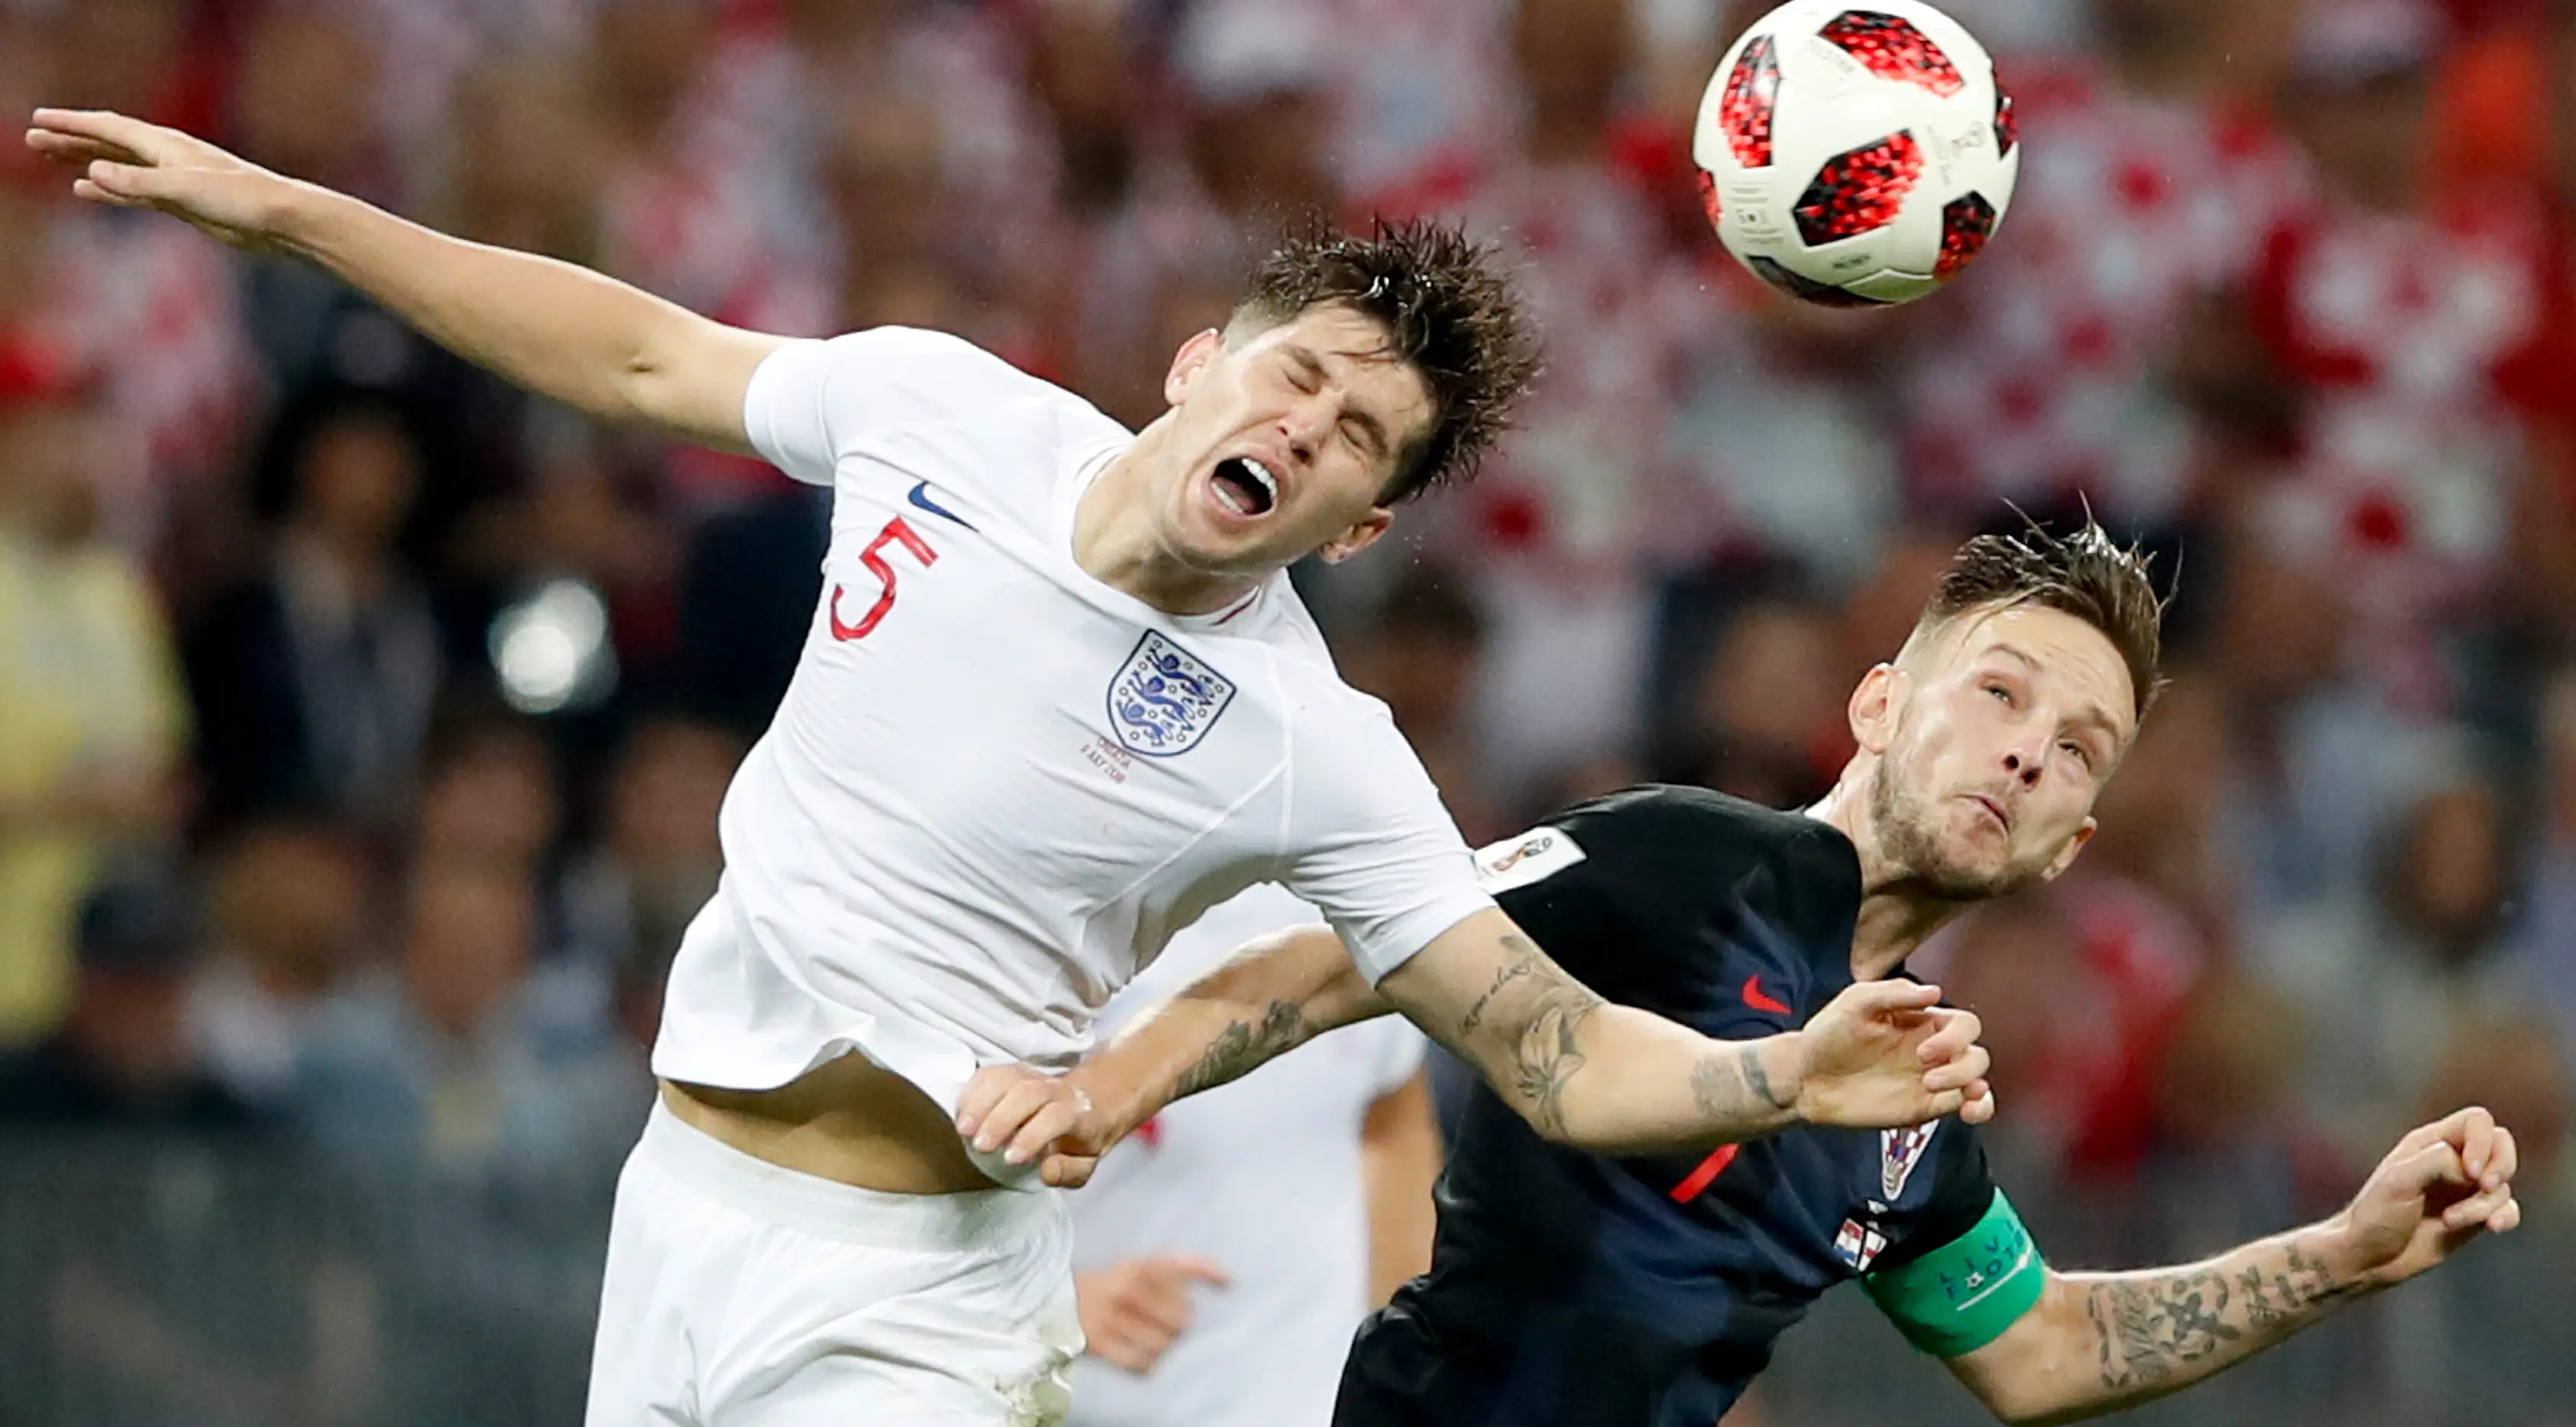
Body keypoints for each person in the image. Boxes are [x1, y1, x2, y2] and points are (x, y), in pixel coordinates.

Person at [22, 106, 1996, 1426]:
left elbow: (1556, 1052)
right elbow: (630, 357)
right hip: (676, 1202)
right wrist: (285, 209)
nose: (1305, 429)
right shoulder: (937, 405)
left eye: (1356, 443)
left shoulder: (1313, 740)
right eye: (1295, 373)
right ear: (1197, 358)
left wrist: (1773, 1071)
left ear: (1358, 530)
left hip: (912, 1298)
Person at [988, 519, 2528, 1425]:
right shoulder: (1673, 858)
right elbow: (1347, 962)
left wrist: (2340, 1251)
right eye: (1997, 690)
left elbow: (2043, 1348)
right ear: (1873, 702)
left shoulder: (1914, 1098)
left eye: (2075, 751)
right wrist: (1094, 1094)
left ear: (2070, 844)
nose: (2024, 748)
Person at [1066, 883, 1441, 1427]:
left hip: (1313, 1405)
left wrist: (1408, 1375)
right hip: (1090, 1404)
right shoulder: (1050, 919)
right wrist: (1057, 1298)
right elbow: (915, 1167)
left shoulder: (1358, 900)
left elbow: (1392, 1126)